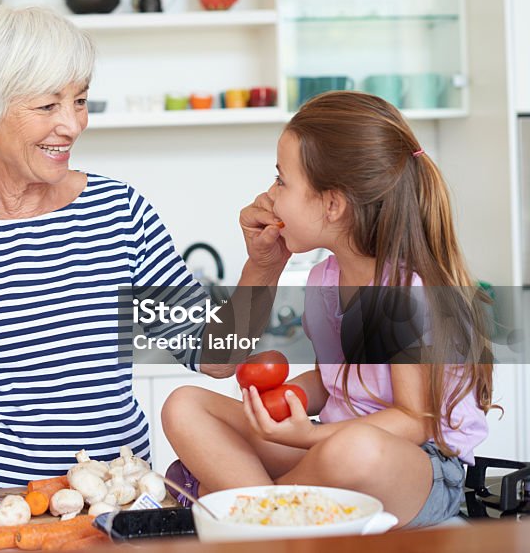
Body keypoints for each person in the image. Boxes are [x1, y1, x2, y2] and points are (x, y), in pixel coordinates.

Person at [0, 6, 288, 511]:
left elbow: (215, 355)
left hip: (113, 502)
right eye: (48, 106)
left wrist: (263, 266)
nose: (71, 125)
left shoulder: (119, 215)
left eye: (80, 100)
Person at [162, 91, 495, 528]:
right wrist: (286, 406)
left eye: (281, 181)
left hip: (413, 464)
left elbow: (414, 421)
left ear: (332, 204)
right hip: (328, 447)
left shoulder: (401, 293)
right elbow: (331, 378)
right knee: (184, 405)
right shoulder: (324, 280)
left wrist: (312, 435)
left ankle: (250, 511)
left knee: (352, 448)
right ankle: (263, 508)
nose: (270, 195)